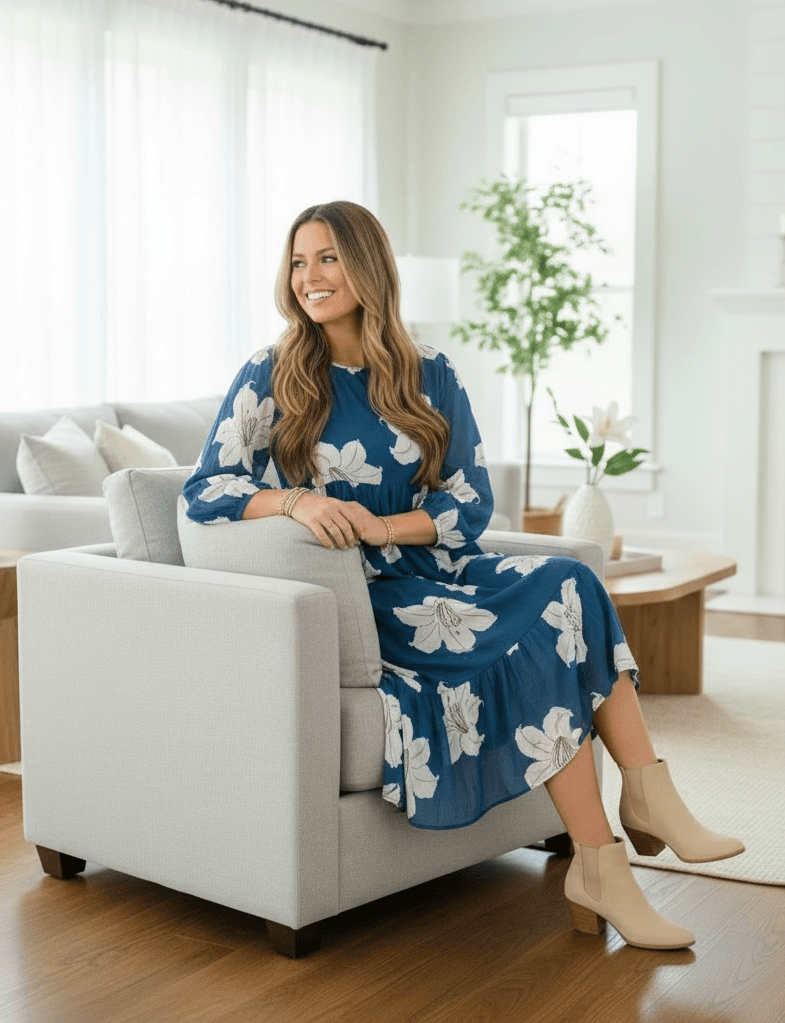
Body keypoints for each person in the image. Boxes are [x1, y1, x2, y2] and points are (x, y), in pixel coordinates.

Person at [182, 200, 744, 951]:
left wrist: (386, 524)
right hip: (372, 598)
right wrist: (295, 499)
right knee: (553, 634)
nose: (310, 277)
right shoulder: (270, 373)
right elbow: (205, 489)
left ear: (367, 268)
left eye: (327, 259)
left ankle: (633, 815)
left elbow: (470, 499)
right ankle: (617, 849)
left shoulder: (429, 375)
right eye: (298, 261)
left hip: (441, 567)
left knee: (570, 587)